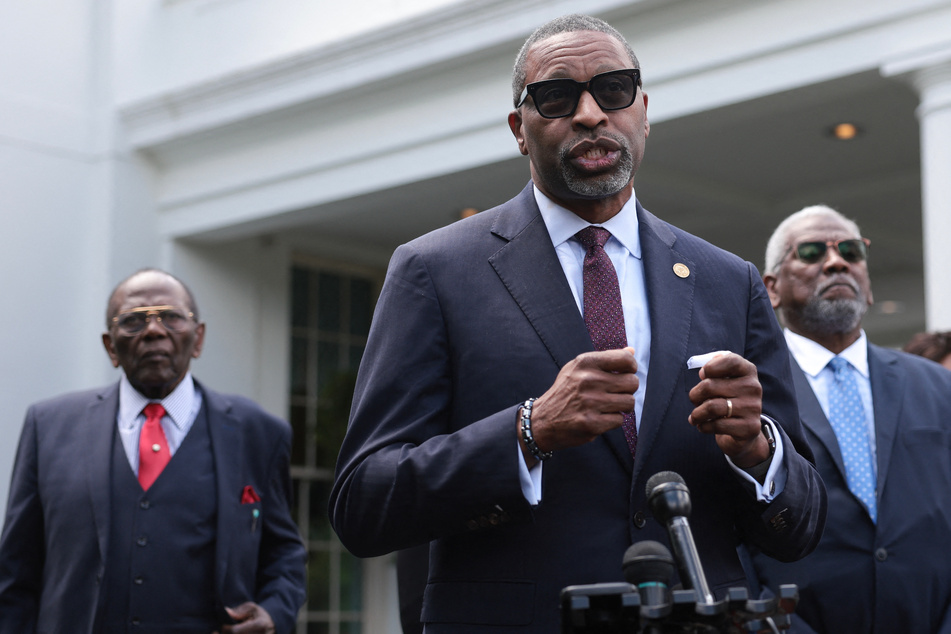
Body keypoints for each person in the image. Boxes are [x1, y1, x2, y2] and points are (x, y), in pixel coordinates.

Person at [329, 14, 826, 633]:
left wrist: (758, 451)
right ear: (519, 128)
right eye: (557, 97)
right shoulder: (434, 271)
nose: (591, 114)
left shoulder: (729, 281)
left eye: (613, 90)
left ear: (643, 111)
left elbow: (800, 530)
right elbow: (363, 504)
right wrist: (527, 431)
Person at [0, 268, 307, 634]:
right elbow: (16, 571)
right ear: (110, 346)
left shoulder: (258, 432)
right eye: (132, 321)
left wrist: (274, 612)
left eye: (172, 317)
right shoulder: (48, 426)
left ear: (198, 339)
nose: (154, 331)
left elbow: (283, 554)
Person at [749, 205, 951, 632]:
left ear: (868, 283)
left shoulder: (938, 388)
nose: (837, 261)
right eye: (809, 252)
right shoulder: (746, 391)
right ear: (772, 289)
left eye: (852, 252)